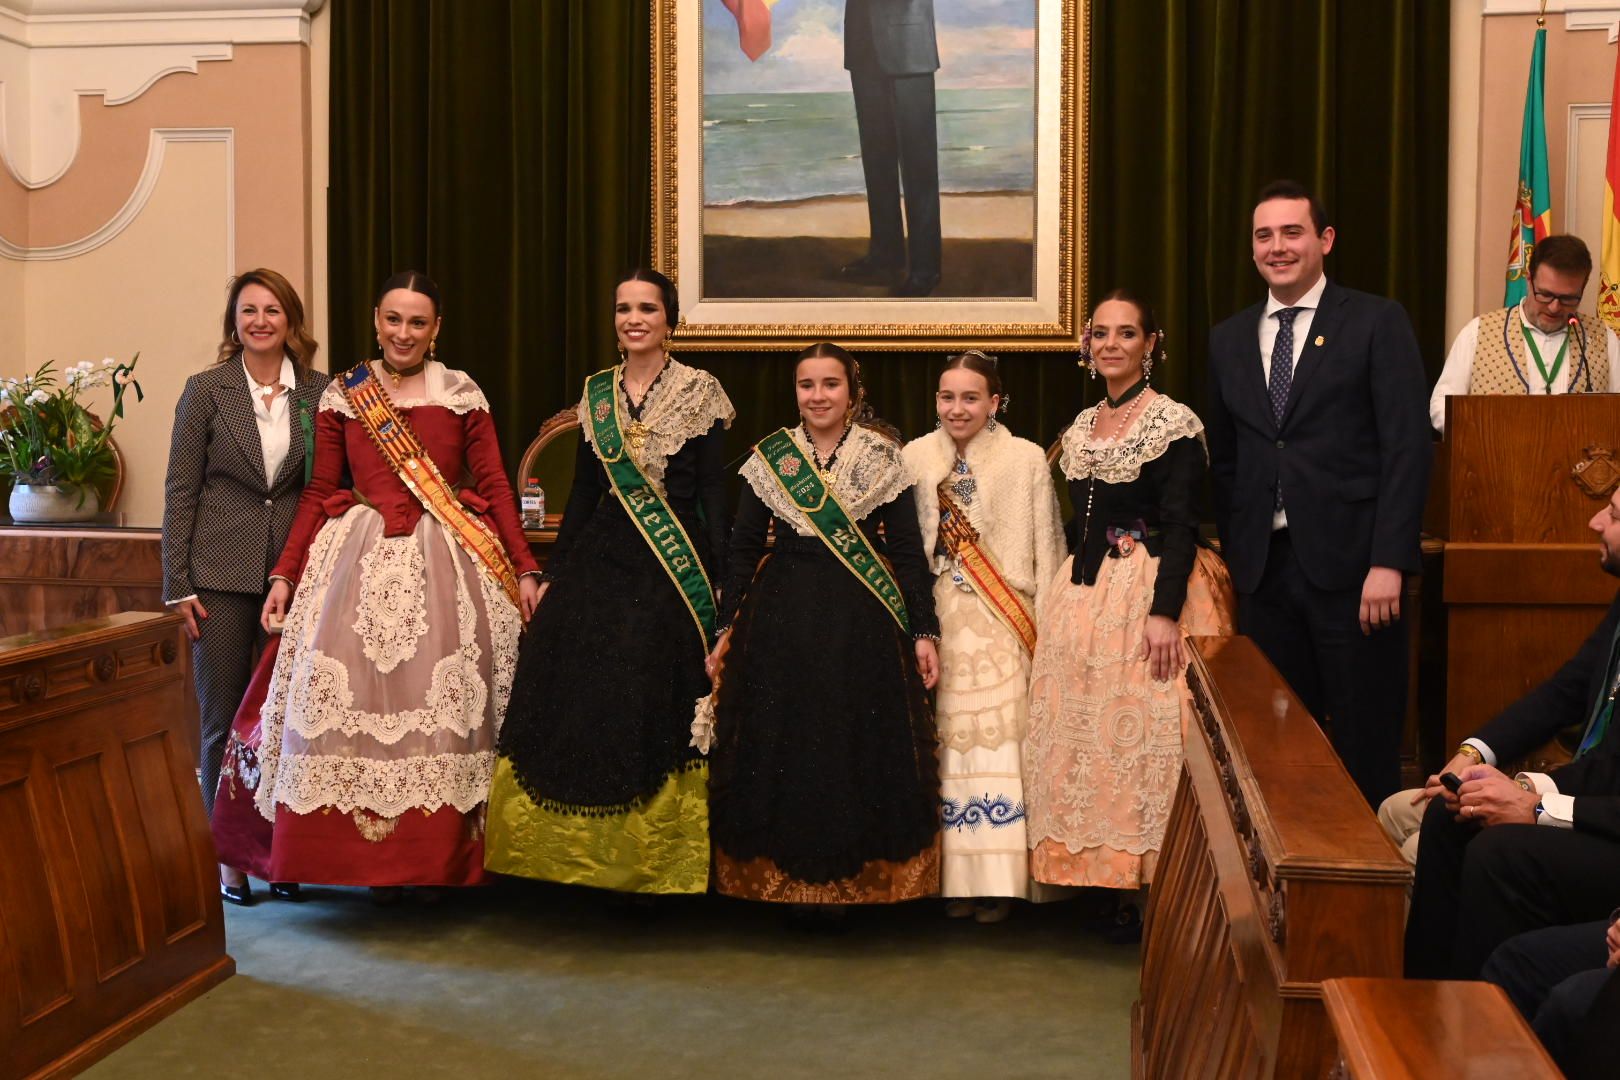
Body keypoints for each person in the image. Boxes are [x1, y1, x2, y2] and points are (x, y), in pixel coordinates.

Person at [249, 270, 541, 898]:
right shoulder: (343, 395)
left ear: (436, 330)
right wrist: (285, 574)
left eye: (416, 322)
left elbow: (493, 486)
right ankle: (345, 861)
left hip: (449, 565)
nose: (402, 333)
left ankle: (435, 863)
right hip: (352, 563)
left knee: (446, 709)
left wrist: (524, 567)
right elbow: (321, 491)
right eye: (392, 319)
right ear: (375, 320)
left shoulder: (461, 392)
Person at [485, 269, 734, 895]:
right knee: (566, 671)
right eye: (623, 308)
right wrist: (554, 574)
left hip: (671, 563)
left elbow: (712, 494)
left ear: (669, 321)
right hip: (601, 556)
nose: (634, 319)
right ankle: (561, 862)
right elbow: (589, 490)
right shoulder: (598, 392)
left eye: (647, 308)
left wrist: (725, 578)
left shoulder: (702, 392)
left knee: (649, 682)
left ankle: (649, 866)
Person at [1205, 179, 1431, 808]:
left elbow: (1407, 448)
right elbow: (1226, 460)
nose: (1278, 247)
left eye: (1292, 232)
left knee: (1364, 743)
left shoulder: (1375, 321)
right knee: (1275, 747)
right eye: (1264, 235)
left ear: (1324, 240)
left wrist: (1389, 560)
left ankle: (1376, 894)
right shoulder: (1228, 339)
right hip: (1265, 577)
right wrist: (1239, 554)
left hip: (1358, 575)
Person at [1024, 291, 1236, 936]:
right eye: (1100, 334)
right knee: (1082, 733)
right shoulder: (1083, 426)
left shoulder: (1171, 422)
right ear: (1086, 346)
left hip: (1150, 592)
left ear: (1151, 344)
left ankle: (1156, 887)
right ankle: (1097, 881)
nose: (1111, 344)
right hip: (1085, 596)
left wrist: (1164, 612)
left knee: (1148, 738)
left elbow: (1180, 524)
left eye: (1126, 333)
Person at [705, 342, 942, 912]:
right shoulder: (771, 459)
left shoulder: (884, 458)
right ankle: (784, 879)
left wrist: (923, 630)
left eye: (830, 384)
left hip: (861, 622)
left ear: (852, 393)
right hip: (782, 616)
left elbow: (909, 553)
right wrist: (724, 627)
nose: (818, 396)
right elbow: (741, 550)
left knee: (851, 740)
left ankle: (850, 885)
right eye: (806, 385)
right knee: (784, 740)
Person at [161, 268, 328, 906]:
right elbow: (180, 489)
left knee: (284, 721)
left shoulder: (319, 392)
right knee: (221, 721)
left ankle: (277, 853)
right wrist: (177, 583)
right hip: (217, 579)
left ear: (291, 321)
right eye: (248, 310)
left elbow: (326, 484)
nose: (260, 321)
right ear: (234, 320)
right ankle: (229, 859)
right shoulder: (206, 390)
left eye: (272, 310)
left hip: (295, 575)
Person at [1405, 483, 1620, 979]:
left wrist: (1534, 800)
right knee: (1451, 815)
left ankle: (1479, 1034)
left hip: (1611, 825)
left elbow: (1611, 776)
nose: (1594, 523)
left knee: (1498, 852)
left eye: (1610, 513)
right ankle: (1420, 1012)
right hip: (1592, 800)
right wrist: (1475, 755)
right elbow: (1563, 691)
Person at [902, 350, 1065, 922]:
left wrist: (1050, 624)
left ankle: (1000, 880)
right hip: (940, 615)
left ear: (995, 402)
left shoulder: (1023, 459)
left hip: (1004, 616)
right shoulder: (915, 457)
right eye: (947, 397)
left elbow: (1047, 545)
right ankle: (952, 878)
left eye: (971, 397)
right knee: (948, 743)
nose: (957, 408)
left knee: (1001, 739)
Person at [1429, 234, 1618, 433]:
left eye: (1568, 298)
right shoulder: (1478, 333)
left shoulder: (1604, 339)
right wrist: (1479, 417)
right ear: (1529, 280)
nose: (1554, 307)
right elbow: (1440, 405)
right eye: (1545, 294)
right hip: (1499, 460)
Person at [839, 0, 942, 297]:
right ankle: (886, 253)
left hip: (909, 47)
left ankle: (925, 269)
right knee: (876, 161)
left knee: (918, 168)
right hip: (862, 47)